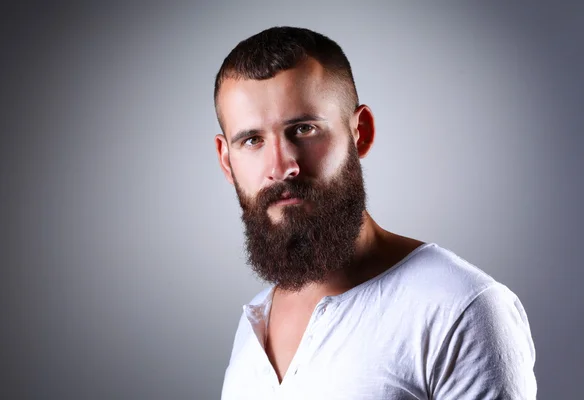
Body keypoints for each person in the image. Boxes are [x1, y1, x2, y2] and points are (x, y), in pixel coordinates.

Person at [213, 26, 537, 399]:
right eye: (252, 140)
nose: (281, 166)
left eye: (304, 129)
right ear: (226, 160)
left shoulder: (460, 309)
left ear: (360, 132)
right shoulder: (254, 320)